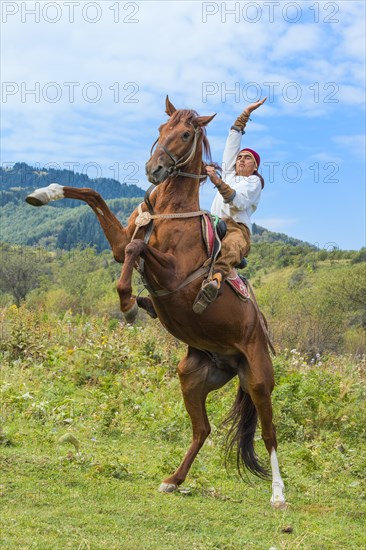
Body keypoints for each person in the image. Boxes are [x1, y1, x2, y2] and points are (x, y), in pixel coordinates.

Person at [192, 98, 267, 315]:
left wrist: (217, 182)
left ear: (255, 167)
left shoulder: (254, 182)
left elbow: (239, 201)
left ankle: (214, 282)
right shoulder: (230, 173)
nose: (241, 160)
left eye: (248, 159)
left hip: (236, 228)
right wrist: (245, 114)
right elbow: (232, 140)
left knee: (230, 246)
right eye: (240, 157)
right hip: (213, 223)